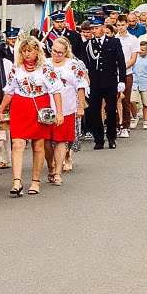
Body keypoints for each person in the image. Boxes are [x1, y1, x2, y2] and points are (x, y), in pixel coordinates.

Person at [3, 35, 64, 197]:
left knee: (38, 145)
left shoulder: (45, 68)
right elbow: (9, 91)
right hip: (20, 106)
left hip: (39, 106)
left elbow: (56, 90)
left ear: (37, 51)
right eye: (24, 51)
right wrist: (1, 111)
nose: (27, 55)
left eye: (30, 51)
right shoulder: (16, 68)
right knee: (17, 143)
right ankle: (17, 181)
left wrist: (59, 112)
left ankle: (35, 181)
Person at [44, 37, 87, 184]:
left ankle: (58, 173)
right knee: (46, 142)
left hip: (67, 108)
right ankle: (51, 166)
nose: (56, 54)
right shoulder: (44, 63)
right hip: (46, 109)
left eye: (60, 52)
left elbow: (81, 86)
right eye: (54, 51)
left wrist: (80, 106)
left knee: (60, 140)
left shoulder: (73, 65)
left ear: (66, 52)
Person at [87, 20, 125, 150]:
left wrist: (122, 81)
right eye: (92, 29)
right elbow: (85, 65)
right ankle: (98, 140)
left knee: (110, 110)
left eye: (96, 28)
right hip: (95, 83)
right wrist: (85, 83)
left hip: (110, 81)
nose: (94, 31)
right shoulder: (89, 44)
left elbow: (121, 62)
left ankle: (111, 137)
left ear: (103, 27)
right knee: (95, 111)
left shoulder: (114, 42)